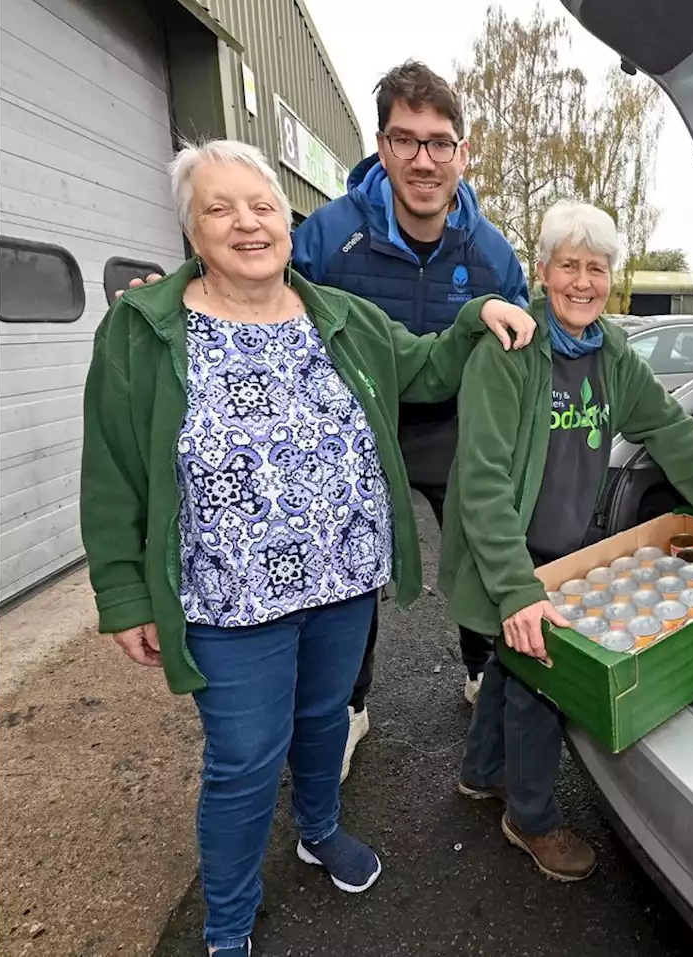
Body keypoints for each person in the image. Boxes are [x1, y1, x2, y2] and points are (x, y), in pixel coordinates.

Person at [81, 139, 534, 956]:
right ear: (192, 229)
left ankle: (318, 828)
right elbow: (111, 470)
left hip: (342, 576)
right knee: (245, 758)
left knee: (327, 715)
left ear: (285, 225)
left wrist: (474, 316)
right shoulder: (143, 330)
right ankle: (226, 919)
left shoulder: (340, 316)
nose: (247, 224)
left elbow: (425, 369)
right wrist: (123, 592)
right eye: (219, 209)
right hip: (228, 594)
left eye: (260, 207)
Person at [437, 201, 693, 881]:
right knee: (541, 679)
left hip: (567, 552)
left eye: (596, 267)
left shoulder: (613, 354)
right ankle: (528, 817)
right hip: (509, 553)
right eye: (569, 265)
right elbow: (481, 483)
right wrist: (517, 587)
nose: (583, 281)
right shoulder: (509, 352)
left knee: (511, 664)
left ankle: (482, 771)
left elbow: (671, 431)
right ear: (544, 269)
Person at [291, 60, 529, 777]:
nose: (424, 159)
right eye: (406, 140)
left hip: (452, 426)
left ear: (462, 150)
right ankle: (349, 706)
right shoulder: (330, 237)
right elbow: (256, 289)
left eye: (439, 142)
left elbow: (525, 345)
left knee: (481, 544)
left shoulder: (490, 252)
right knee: (351, 570)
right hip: (358, 430)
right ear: (382, 145)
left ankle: (482, 670)